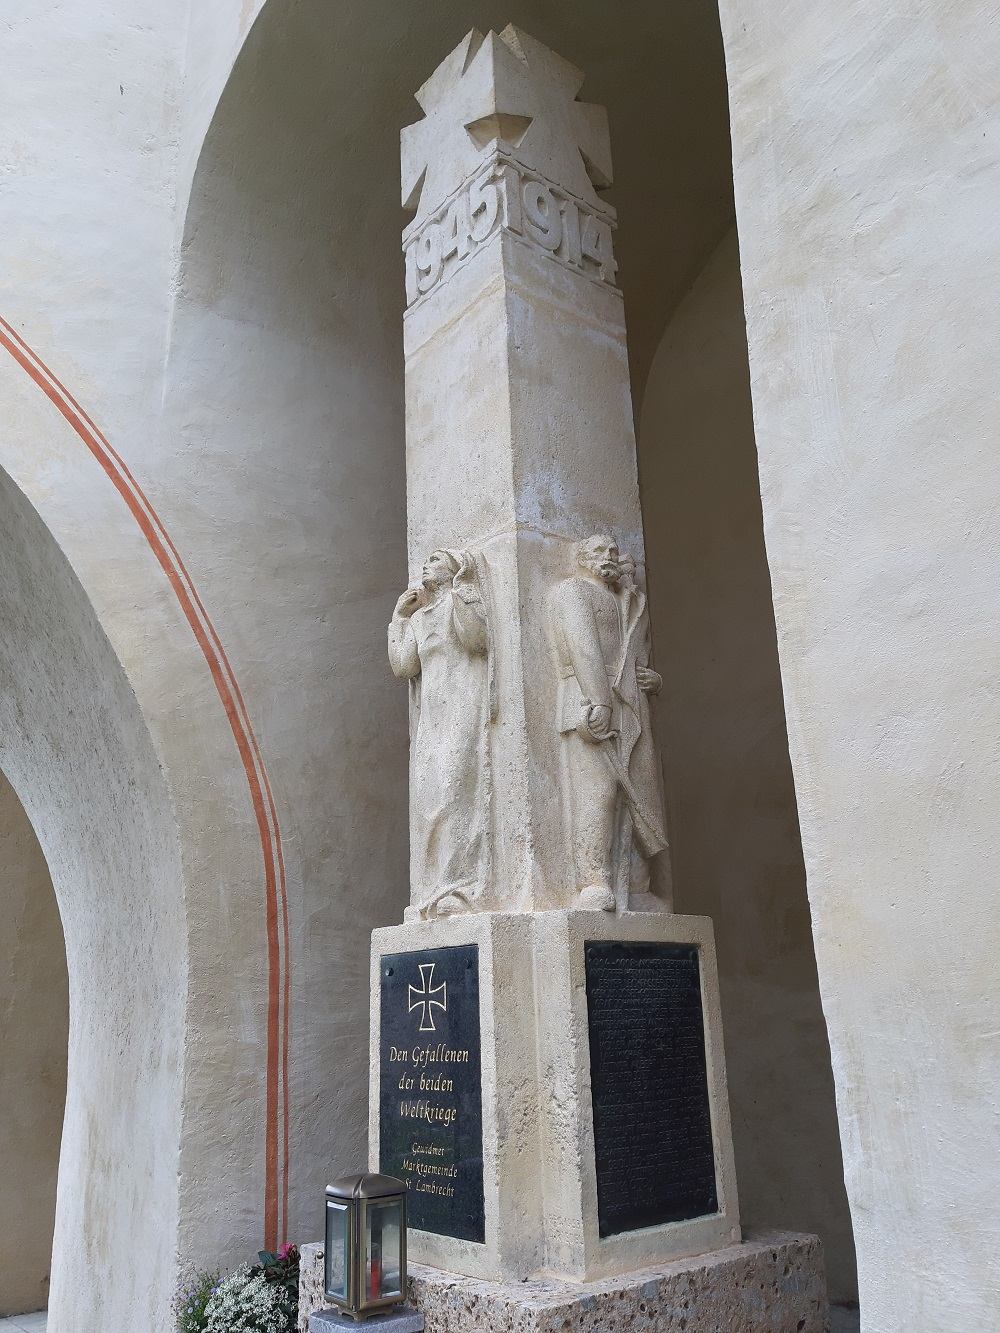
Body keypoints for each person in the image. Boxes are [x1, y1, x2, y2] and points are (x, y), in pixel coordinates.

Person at [549, 535, 667, 909]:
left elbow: (639, 653)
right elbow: (582, 645)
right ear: (582, 559)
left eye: (614, 552)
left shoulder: (627, 601)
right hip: (589, 701)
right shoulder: (573, 591)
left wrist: (652, 679)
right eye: (599, 552)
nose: (609, 557)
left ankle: (636, 884)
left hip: (631, 703)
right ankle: (594, 881)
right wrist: (599, 699)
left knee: (638, 793)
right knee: (596, 792)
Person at [388, 549, 493, 917]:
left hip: (464, 706)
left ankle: (456, 884)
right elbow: (404, 665)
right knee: (430, 796)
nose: (426, 565)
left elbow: (478, 640)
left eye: (435, 560)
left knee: (455, 790)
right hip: (432, 716)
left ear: (455, 569)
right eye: (426, 561)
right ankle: (432, 887)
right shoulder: (420, 619)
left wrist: (463, 591)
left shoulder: (457, 603)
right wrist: (400, 619)